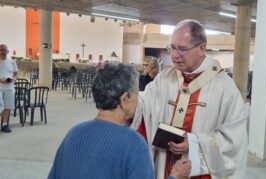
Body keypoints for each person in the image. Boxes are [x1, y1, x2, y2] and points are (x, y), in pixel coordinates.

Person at [131, 19, 249, 179]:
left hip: (198, 172)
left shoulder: (224, 87)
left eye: (182, 49)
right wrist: (125, 100)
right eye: (172, 47)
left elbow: (235, 138)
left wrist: (195, 144)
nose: (174, 55)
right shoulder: (165, 77)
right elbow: (144, 106)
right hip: (165, 166)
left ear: (202, 48)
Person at [48, 63, 190, 179]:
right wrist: (174, 176)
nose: (138, 98)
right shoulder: (134, 143)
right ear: (124, 99)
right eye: (137, 93)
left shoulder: (73, 133)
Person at [0, 44, 18, 133]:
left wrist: (14, 79)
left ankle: (4, 125)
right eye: (1, 51)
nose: (3, 53)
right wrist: (1, 80)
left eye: (4, 51)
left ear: (7, 52)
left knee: (7, 107)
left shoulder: (12, 61)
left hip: (9, 88)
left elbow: (16, 73)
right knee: (0, 107)